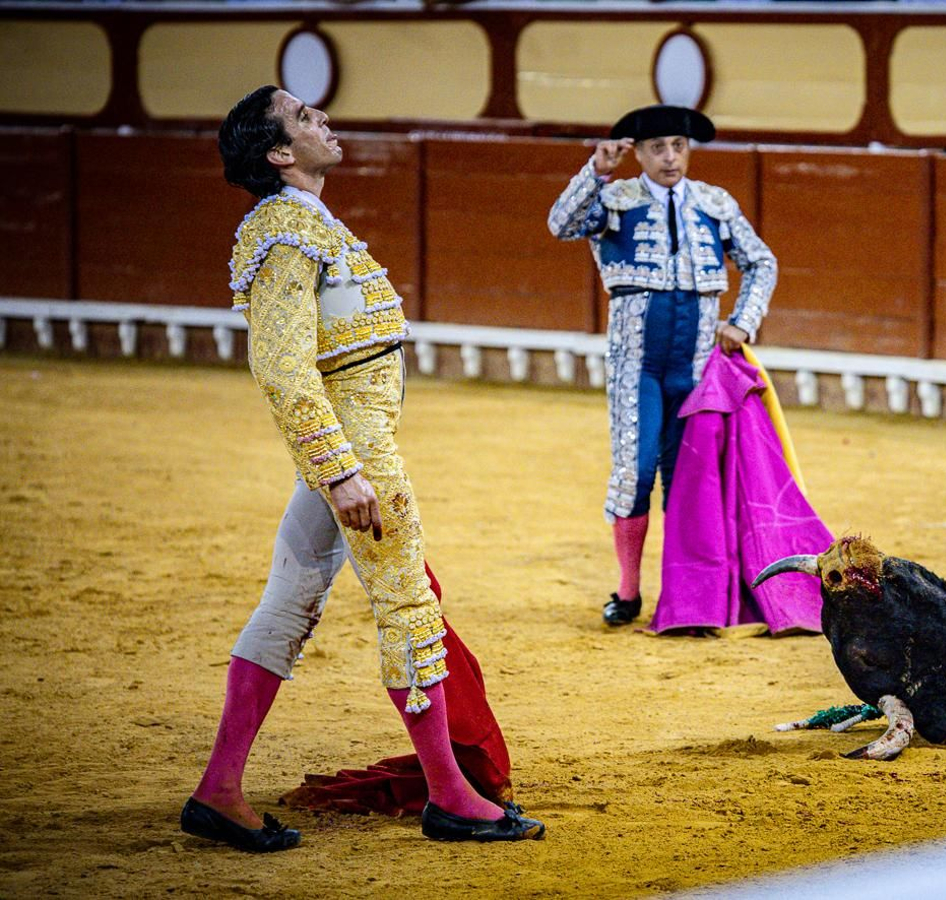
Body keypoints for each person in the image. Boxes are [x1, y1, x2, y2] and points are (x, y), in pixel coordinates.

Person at [182, 85, 543, 851]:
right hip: (356, 449)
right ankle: (449, 795)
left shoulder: (304, 222)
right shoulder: (285, 231)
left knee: (289, 604)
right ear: (280, 153)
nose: (324, 121)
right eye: (305, 117)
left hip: (352, 442)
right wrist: (340, 471)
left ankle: (218, 789)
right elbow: (283, 369)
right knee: (407, 604)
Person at [548, 104, 778, 627]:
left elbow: (762, 261)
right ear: (640, 153)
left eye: (678, 145)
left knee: (689, 481)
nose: (670, 157)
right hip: (637, 370)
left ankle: (688, 596)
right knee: (634, 474)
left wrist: (743, 320)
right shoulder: (614, 198)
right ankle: (628, 592)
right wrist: (596, 169)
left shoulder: (715, 204)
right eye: (657, 148)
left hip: (696, 372)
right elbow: (560, 225)